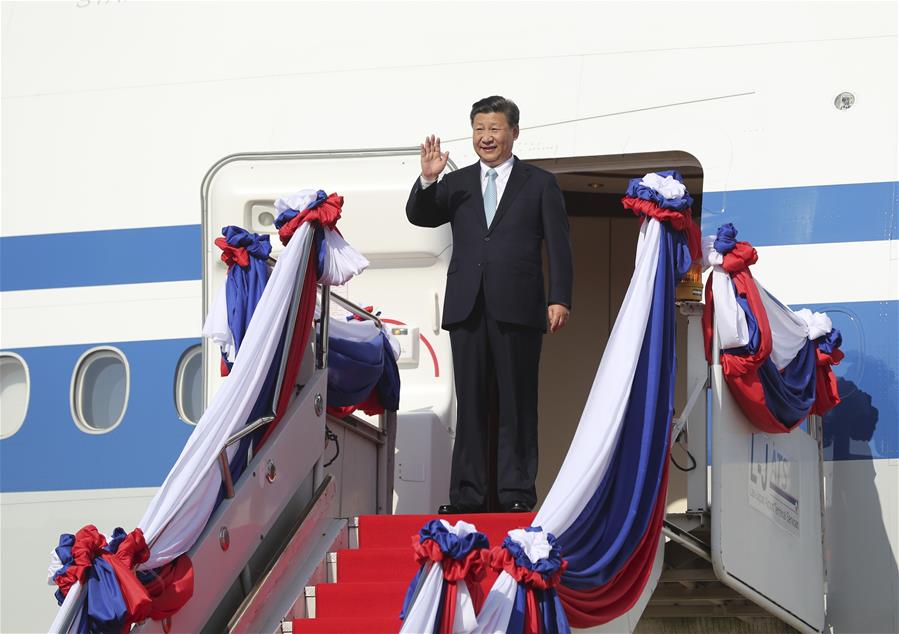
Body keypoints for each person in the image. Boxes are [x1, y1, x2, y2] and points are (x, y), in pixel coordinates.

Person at [406, 96, 573, 514]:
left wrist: (559, 297)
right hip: (468, 306)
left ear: (514, 132)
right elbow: (420, 215)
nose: (487, 137)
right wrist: (428, 179)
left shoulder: (538, 183)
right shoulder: (457, 182)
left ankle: (516, 494)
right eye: (479, 129)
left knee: (517, 403)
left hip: (519, 306)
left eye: (495, 129)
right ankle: (468, 495)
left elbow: (559, 245)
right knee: (472, 402)